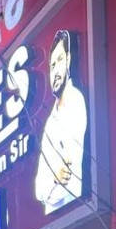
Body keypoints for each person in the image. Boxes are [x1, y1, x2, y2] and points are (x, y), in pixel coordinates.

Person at [34, 29, 87, 214]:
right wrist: (53, 179)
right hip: (57, 212)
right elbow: (39, 190)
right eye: (52, 65)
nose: (55, 71)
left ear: (69, 60)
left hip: (77, 205)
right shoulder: (50, 121)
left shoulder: (76, 102)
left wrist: (52, 182)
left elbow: (70, 177)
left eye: (60, 61)